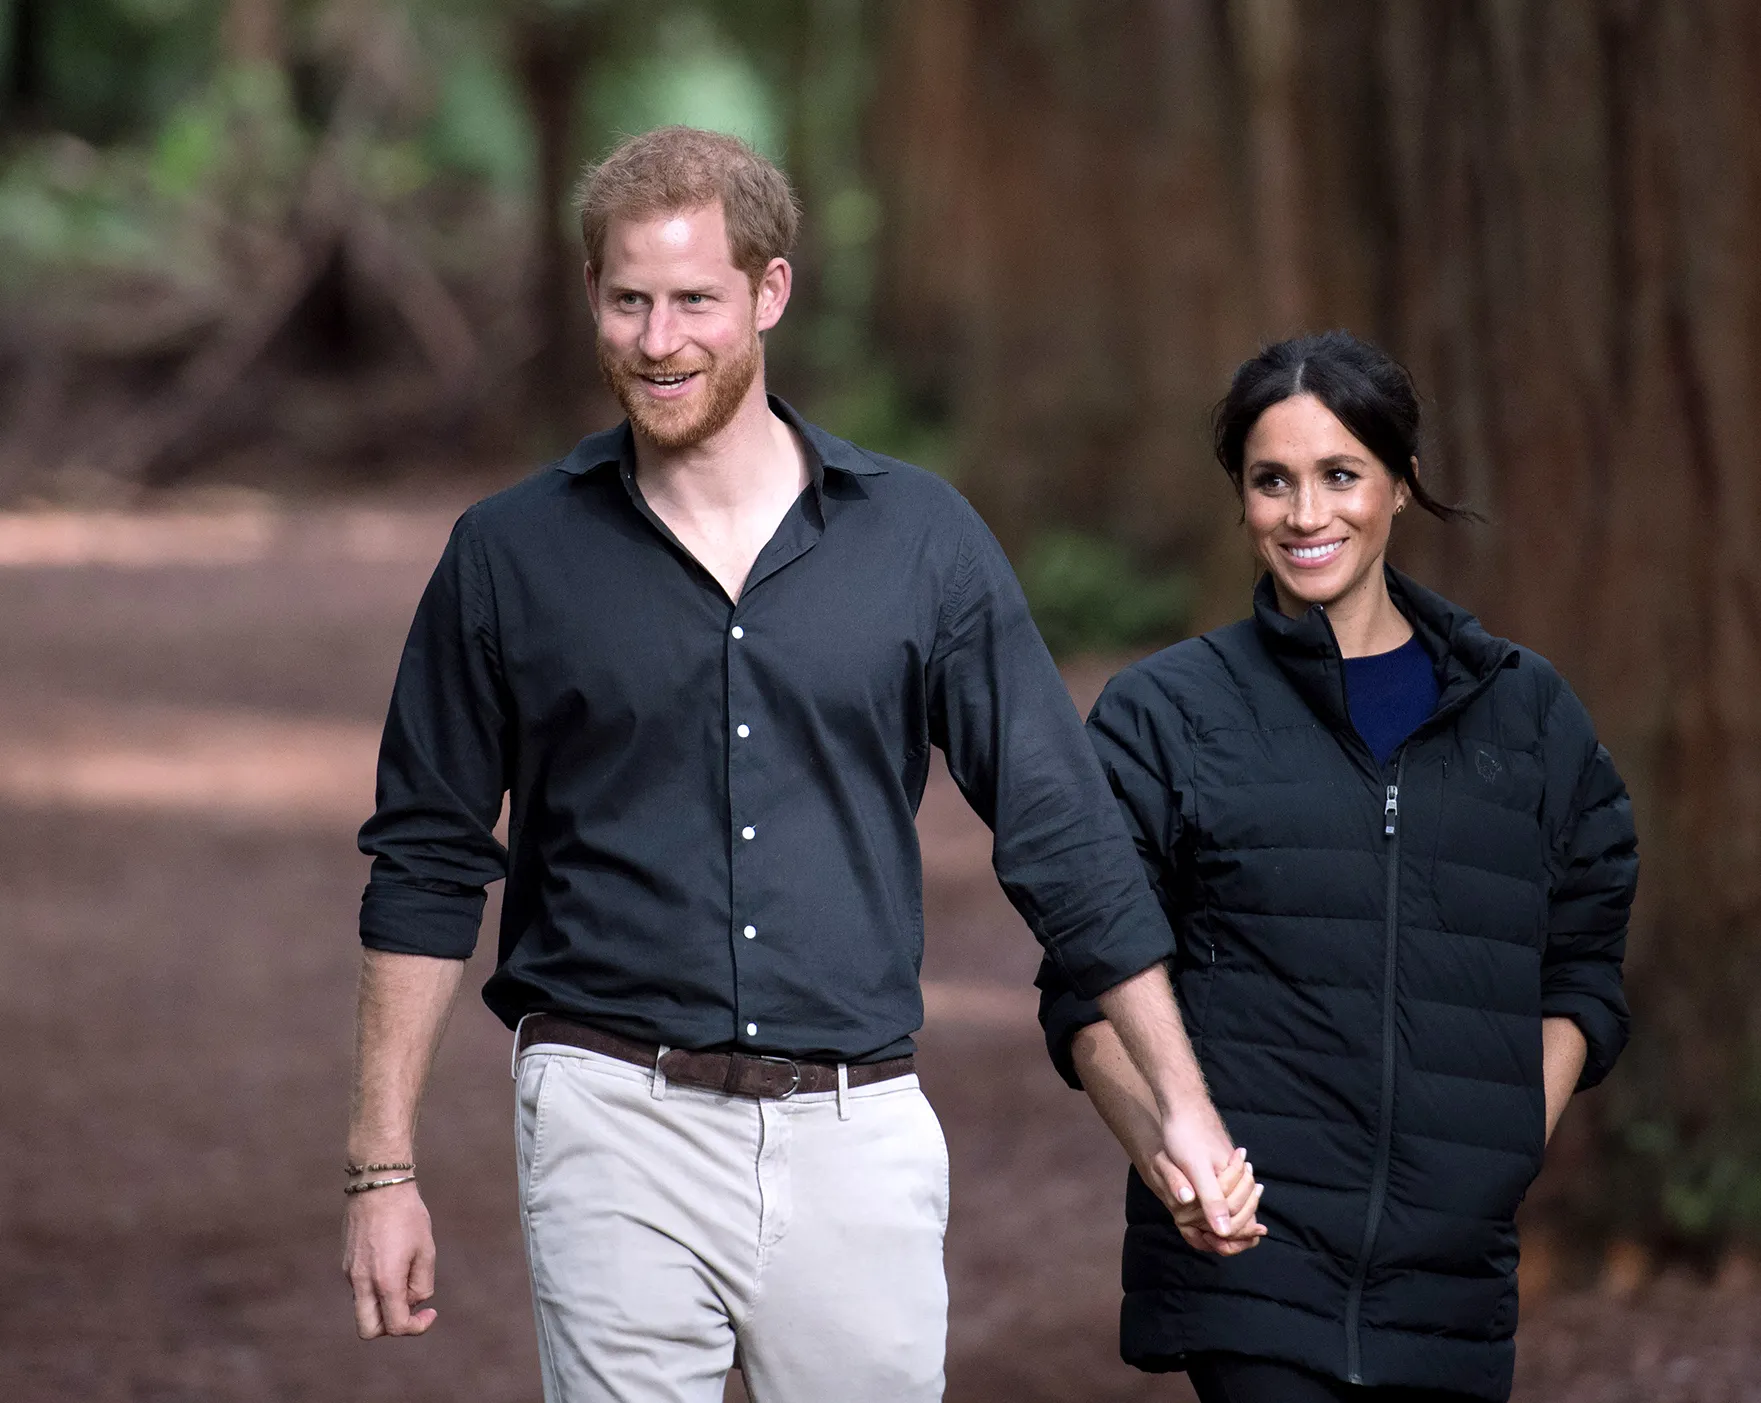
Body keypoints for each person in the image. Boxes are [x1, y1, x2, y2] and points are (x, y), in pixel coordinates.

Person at [339, 126, 1260, 1403]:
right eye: (628, 301)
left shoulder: (920, 540)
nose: (658, 340)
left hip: (855, 1127)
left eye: (694, 301)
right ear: (591, 293)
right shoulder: (508, 556)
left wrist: (1182, 1104)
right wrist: (381, 1168)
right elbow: (427, 859)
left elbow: (1061, 830)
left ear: (769, 292)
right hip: (609, 1112)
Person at [1037, 331, 1639, 1403]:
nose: (1305, 513)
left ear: (1400, 483)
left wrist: (1506, 1144)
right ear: (1241, 498)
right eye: (1271, 480)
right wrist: (1172, 1160)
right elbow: (1087, 979)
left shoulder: (1526, 715)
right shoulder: (1165, 715)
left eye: (1340, 475)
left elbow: (1583, 960)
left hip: (1450, 1280)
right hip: (1249, 1262)